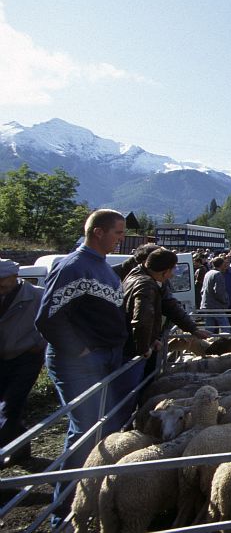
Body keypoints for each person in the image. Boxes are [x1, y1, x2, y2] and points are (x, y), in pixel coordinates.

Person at [35, 209, 126, 525]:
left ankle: (91, 497)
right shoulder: (73, 266)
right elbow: (48, 317)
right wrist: (82, 352)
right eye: (118, 233)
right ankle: (63, 512)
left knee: (103, 429)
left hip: (104, 358)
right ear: (98, 232)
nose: (122, 239)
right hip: (82, 363)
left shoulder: (102, 267)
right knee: (84, 434)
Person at [115, 248, 209, 429]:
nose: (173, 275)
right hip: (132, 350)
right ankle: (123, 429)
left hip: (130, 345)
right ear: (164, 270)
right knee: (128, 395)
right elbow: (141, 320)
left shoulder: (139, 276)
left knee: (132, 393)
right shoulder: (146, 285)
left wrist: (191, 329)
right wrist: (144, 347)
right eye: (173, 270)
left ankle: (130, 424)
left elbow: (167, 306)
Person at [0, 259, 45, 466]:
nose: (0, 286)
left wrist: (39, 343)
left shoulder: (36, 295)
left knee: (10, 405)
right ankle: (21, 450)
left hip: (26, 356)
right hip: (3, 356)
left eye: (3, 282)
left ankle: (3, 452)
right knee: (8, 406)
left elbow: (50, 320)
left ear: (14, 277)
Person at [201, 256, 231, 332]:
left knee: (209, 327)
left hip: (207, 304)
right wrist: (225, 301)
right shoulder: (218, 274)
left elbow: (203, 289)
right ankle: (228, 341)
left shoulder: (208, 273)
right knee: (225, 327)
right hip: (216, 305)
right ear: (221, 265)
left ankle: (208, 342)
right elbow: (219, 291)